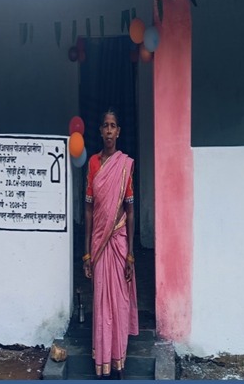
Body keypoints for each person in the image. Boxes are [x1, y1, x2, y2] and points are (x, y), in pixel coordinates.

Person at [83, 109, 138, 379]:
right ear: (100, 130)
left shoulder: (124, 165)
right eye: (105, 125)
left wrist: (130, 254)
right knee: (102, 303)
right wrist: (86, 253)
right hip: (98, 244)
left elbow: (130, 210)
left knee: (119, 302)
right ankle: (102, 361)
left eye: (113, 126)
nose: (108, 130)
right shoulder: (93, 163)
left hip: (118, 241)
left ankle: (118, 362)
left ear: (118, 132)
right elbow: (88, 210)